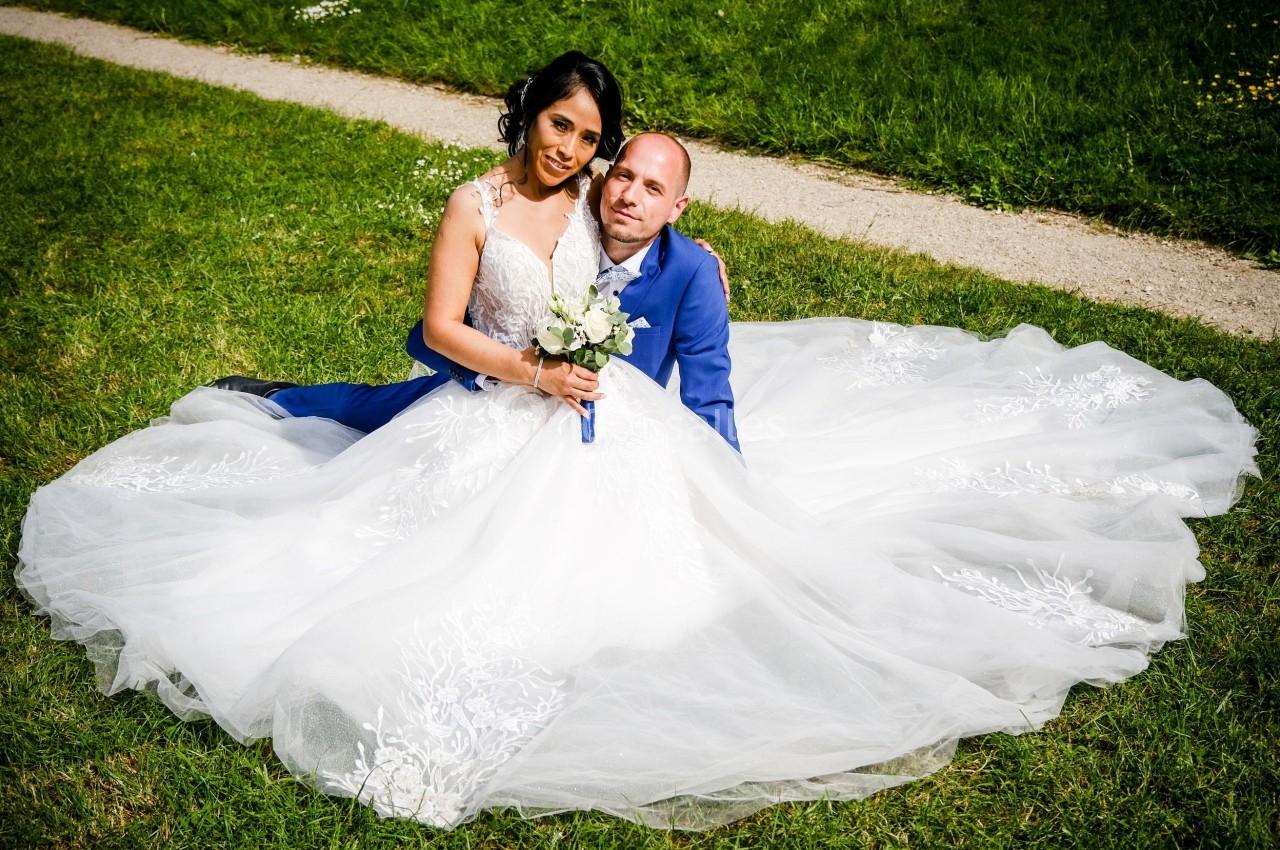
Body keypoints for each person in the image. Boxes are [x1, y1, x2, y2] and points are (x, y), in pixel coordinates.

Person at [16, 51, 1258, 832]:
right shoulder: (509, 203)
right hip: (485, 395)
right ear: (548, 135)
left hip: (598, 424)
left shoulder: (686, 265)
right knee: (361, 437)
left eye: (612, 158)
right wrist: (534, 366)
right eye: (578, 144)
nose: (594, 171)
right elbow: (437, 328)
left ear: (666, 196)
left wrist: (717, 490)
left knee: (582, 538)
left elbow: (706, 388)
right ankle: (291, 398)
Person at [216, 135, 739, 450]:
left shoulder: (693, 273)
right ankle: (278, 397)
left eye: (654, 189)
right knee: (379, 413)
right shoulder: (576, 212)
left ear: (677, 208)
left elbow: (709, 400)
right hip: (499, 382)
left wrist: (724, 499)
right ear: (606, 179)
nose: (629, 197)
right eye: (624, 177)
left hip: (600, 426)